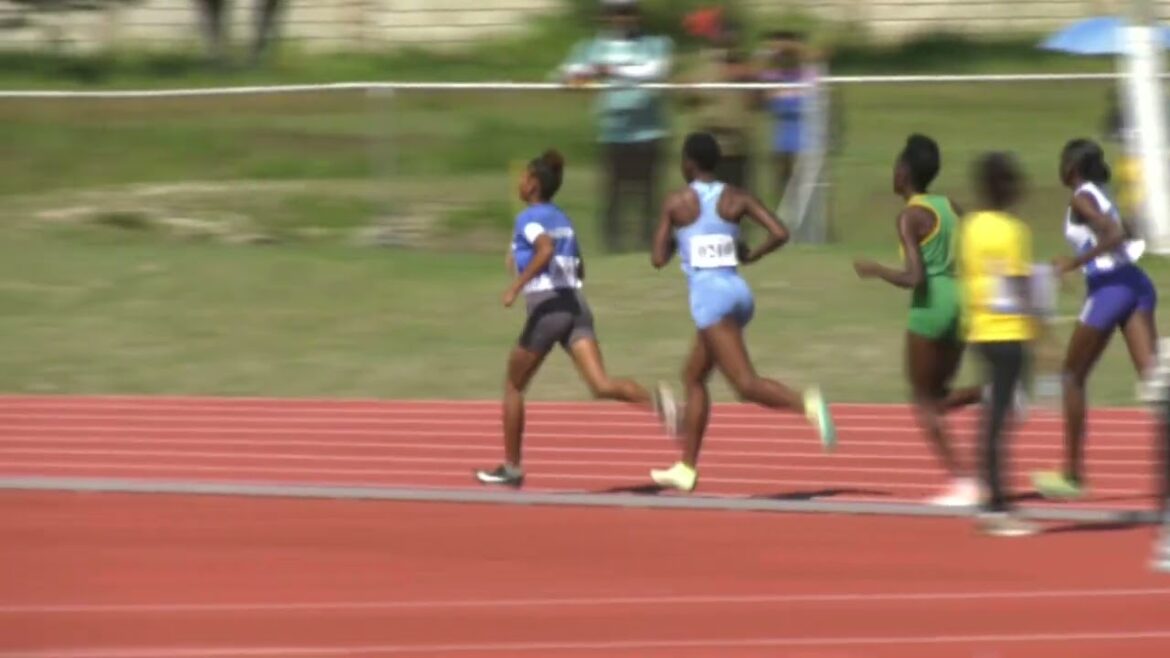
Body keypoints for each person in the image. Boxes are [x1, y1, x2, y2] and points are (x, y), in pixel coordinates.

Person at [647, 132, 837, 492]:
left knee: (746, 385)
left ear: (688, 163)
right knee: (693, 376)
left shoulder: (676, 202)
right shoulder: (736, 196)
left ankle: (807, 404)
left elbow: (657, 258)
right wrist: (750, 254)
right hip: (738, 292)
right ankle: (686, 468)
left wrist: (675, 236)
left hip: (710, 298)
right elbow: (780, 232)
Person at [476, 149, 676, 487]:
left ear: (534, 184)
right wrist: (524, 261)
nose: (519, 183)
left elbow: (545, 250)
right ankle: (657, 404)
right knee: (601, 384)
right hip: (576, 306)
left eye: (523, 178)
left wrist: (517, 286)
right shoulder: (563, 219)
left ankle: (512, 468)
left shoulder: (528, 218)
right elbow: (579, 267)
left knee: (513, 386)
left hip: (548, 309)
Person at [853, 134, 984, 506]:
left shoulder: (910, 216)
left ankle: (965, 482)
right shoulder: (951, 207)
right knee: (939, 397)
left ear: (904, 172)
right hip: (962, 301)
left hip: (931, 305)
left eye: (896, 167)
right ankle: (992, 392)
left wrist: (876, 270)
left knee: (923, 401)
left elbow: (915, 278)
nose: (893, 174)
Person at [1032, 139, 1159, 500]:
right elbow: (1128, 229)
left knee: (1071, 377)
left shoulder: (1081, 198)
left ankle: (1072, 475)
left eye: (1062, 160)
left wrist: (1074, 263)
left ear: (1071, 167)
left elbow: (1115, 234)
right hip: (1136, 283)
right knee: (1156, 386)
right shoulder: (1102, 193)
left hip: (1110, 290)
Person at [959, 151, 1039, 537]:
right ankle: (996, 506)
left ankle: (991, 495)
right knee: (999, 420)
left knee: (998, 415)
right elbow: (1019, 284)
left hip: (980, 331)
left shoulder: (971, 227)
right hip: (1009, 332)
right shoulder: (1014, 231)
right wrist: (1040, 325)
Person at [559, 0, 673, 253]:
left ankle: (649, 241)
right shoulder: (591, 47)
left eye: (628, 12)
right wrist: (581, 75)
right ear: (605, 16)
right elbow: (568, 74)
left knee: (649, 192)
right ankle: (612, 244)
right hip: (612, 132)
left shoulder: (655, 44)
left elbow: (654, 71)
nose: (622, 18)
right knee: (612, 193)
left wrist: (609, 69)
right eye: (615, 13)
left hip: (650, 131)